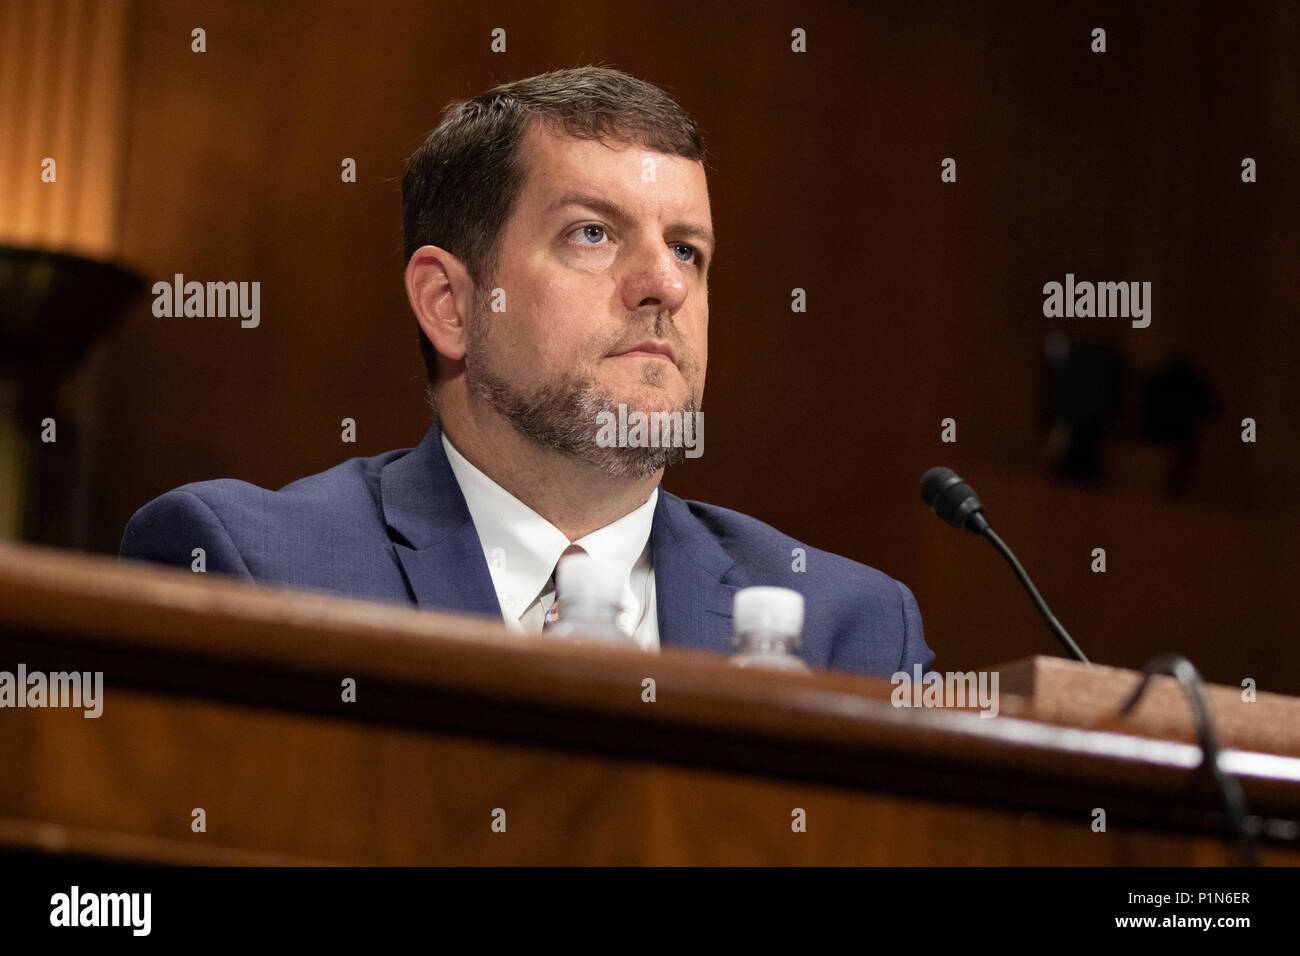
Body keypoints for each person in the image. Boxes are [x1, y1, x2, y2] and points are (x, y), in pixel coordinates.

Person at [120, 66, 933, 677]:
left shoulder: (850, 630)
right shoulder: (258, 571)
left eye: (688, 248)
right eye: (592, 234)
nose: (668, 284)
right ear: (449, 304)